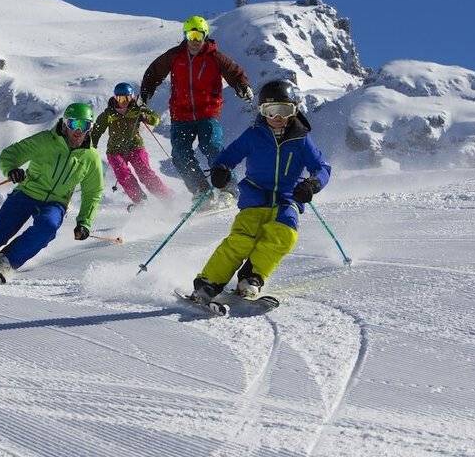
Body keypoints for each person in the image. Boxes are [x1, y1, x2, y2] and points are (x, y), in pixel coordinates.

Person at [187, 80, 331, 302]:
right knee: (242, 239)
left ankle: (251, 277)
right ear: (262, 112)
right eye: (270, 111)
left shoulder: (302, 140)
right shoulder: (254, 135)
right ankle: (208, 283)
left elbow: (321, 168)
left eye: (284, 110)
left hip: (287, 198)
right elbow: (229, 155)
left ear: (294, 110)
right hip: (254, 196)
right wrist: (221, 169)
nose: (277, 117)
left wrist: (312, 184)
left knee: (284, 235)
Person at [0, 102, 104, 284]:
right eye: (74, 124)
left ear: (90, 128)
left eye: (84, 125)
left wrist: (84, 222)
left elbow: (93, 192)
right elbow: (9, 155)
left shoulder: (90, 157)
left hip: (55, 202)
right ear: (65, 124)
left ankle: (5, 263)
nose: (78, 131)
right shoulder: (45, 141)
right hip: (26, 193)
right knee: (0, 232)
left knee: (48, 227)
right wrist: (12, 170)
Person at [140, 15, 253, 208]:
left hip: (207, 113)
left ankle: (228, 189)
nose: (194, 41)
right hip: (180, 115)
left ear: (205, 36)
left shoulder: (214, 56)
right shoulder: (175, 55)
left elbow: (234, 71)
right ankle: (202, 192)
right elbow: (155, 71)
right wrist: (146, 91)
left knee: (211, 146)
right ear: (185, 36)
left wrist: (242, 86)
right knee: (180, 154)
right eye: (190, 35)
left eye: (198, 35)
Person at [90, 82, 173, 210]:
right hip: (115, 151)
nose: (123, 102)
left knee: (144, 172)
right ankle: (139, 200)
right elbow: (96, 131)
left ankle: (166, 197)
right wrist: (91, 147)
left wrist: (144, 116)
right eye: (120, 98)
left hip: (135, 147)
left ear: (132, 97)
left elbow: (155, 119)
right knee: (123, 174)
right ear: (115, 98)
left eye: (126, 98)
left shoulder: (138, 109)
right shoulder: (109, 113)